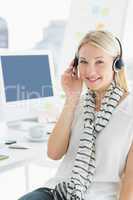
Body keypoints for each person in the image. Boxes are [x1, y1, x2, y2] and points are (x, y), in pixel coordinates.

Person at [19, 30, 133, 200]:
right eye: (84, 62)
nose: (90, 70)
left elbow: (130, 182)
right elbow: (54, 153)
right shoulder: (78, 104)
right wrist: (71, 99)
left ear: (116, 64)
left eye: (99, 62)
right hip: (57, 191)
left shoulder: (129, 111)